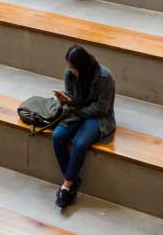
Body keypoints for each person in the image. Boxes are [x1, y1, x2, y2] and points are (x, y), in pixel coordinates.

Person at [50, 45, 115, 209]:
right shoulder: (70, 74)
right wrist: (66, 99)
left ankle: (66, 186)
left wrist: (77, 110)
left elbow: (101, 108)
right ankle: (73, 181)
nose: (70, 70)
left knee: (80, 143)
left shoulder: (104, 77)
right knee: (57, 136)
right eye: (69, 67)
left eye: (73, 68)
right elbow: (73, 98)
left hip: (98, 117)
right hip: (78, 111)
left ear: (83, 66)